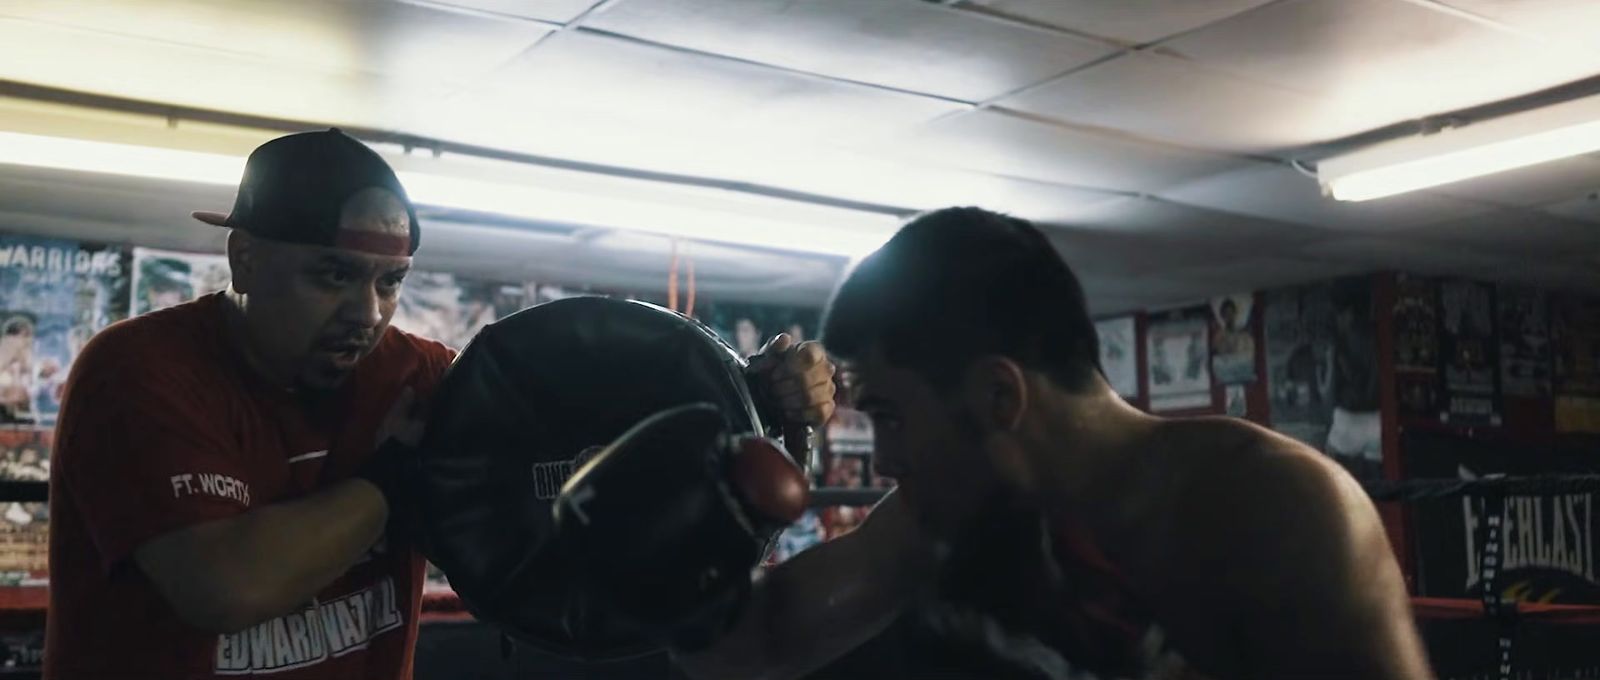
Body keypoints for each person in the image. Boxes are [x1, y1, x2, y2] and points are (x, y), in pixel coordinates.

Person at [43, 129, 836, 679]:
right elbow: (225, 586)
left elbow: (598, 444)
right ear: (244, 259)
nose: (368, 312)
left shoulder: (416, 376)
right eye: (332, 276)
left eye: (389, 282)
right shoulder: (141, 371)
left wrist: (760, 406)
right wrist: (394, 481)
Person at [671, 207, 1432, 679]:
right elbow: (752, 649)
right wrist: (754, 451)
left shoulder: (1276, 511)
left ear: (1000, 395)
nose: (889, 460)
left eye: (892, 417)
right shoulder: (946, 522)